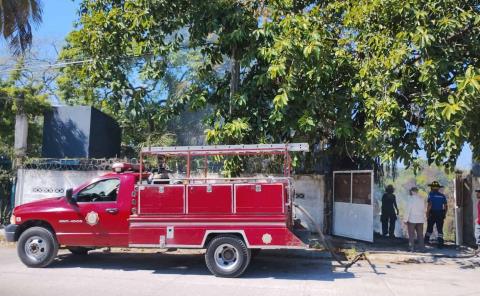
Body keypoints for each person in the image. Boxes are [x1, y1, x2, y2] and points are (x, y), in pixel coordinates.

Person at [424, 181, 448, 247]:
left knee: (429, 227)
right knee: (440, 228)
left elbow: (430, 204)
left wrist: (427, 213)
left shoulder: (431, 194)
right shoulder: (442, 195)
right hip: (440, 213)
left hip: (432, 213)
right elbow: (446, 206)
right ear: (438, 188)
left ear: (432, 188)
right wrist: (444, 214)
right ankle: (440, 243)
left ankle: (426, 241)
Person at [404, 187, 425, 252]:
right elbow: (423, 209)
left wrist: (405, 219)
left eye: (411, 191)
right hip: (420, 219)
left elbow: (408, 210)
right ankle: (422, 248)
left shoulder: (410, 199)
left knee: (411, 234)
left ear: (412, 191)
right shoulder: (421, 199)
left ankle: (411, 248)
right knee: (420, 235)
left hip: (412, 219)